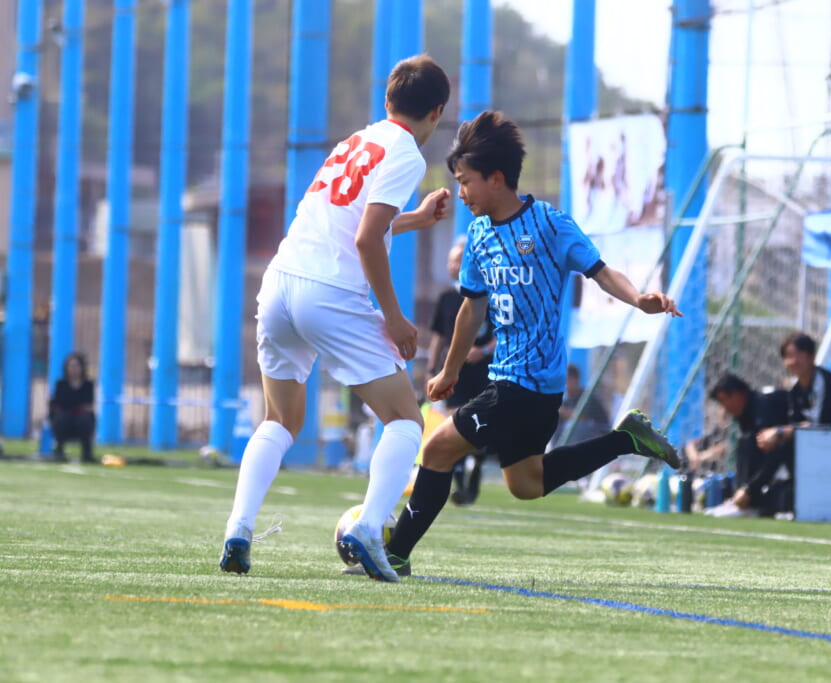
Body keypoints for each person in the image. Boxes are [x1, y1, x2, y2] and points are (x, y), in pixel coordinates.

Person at [370, 111, 682, 581]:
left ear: (496, 179)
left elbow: (601, 272)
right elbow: (471, 308)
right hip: (518, 384)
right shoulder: (478, 235)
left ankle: (394, 555)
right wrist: (450, 370)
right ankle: (627, 438)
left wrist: (639, 299)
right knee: (526, 484)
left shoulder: (549, 224)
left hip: (526, 383)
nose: (460, 193)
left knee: (436, 451)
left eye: (465, 182)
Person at [219, 55, 452, 578]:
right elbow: (366, 239)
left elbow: (348, 223)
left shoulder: (354, 142)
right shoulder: (406, 153)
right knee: (405, 420)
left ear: (387, 100)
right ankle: (369, 528)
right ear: (437, 112)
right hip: (328, 292)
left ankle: (239, 528)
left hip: (280, 284)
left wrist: (414, 219)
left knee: (280, 420)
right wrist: (394, 317)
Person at [426, 237, 496, 506]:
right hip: (454, 371)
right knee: (455, 423)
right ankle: (460, 487)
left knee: (480, 426)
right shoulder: (446, 298)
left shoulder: (490, 294)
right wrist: (433, 368)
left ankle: (475, 470)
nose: (453, 266)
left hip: (485, 371)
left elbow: (503, 331)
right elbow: (439, 336)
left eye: (458, 260)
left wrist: (484, 350)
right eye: (451, 261)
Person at [705, 373, 791, 518]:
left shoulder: (764, 405)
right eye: (722, 401)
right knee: (744, 441)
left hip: (796, 453)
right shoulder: (745, 415)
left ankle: (749, 503)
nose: (726, 406)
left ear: (741, 392)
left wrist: (749, 489)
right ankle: (740, 500)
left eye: (728, 398)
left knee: (750, 442)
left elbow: (775, 453)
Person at [49, 351, 96, 464]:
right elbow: (59, 403)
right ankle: (59, 451)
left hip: (81, 418)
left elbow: (88, 404)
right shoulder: (61, 384)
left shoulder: (88, 385)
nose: (73, 369)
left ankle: (87, 453)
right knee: (62, 418)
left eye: (76, 366)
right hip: (65, 417)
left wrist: (75, 406)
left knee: (84, 420)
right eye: (71, 366)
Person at [555, 363, 612, 445]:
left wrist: (564, 412)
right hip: (579, 440)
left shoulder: (587, 397)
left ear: (575, 380)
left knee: (575, 426)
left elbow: (583, 419)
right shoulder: (567, 401)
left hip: (598, 435)